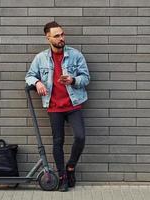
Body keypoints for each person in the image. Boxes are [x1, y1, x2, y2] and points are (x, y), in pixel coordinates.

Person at [25, 21, 90, 192]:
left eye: (62, 34)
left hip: (73, 104)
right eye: (57, 36)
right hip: (54, 107)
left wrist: (73, 80)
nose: (61, 38)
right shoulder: (41, 58)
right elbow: (29, 76)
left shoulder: (75, 55)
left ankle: (70, 168)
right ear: (48, 38)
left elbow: (86, 78)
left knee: (80, 137)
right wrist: (37, 82)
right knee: (58, 142)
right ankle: (62, 177)